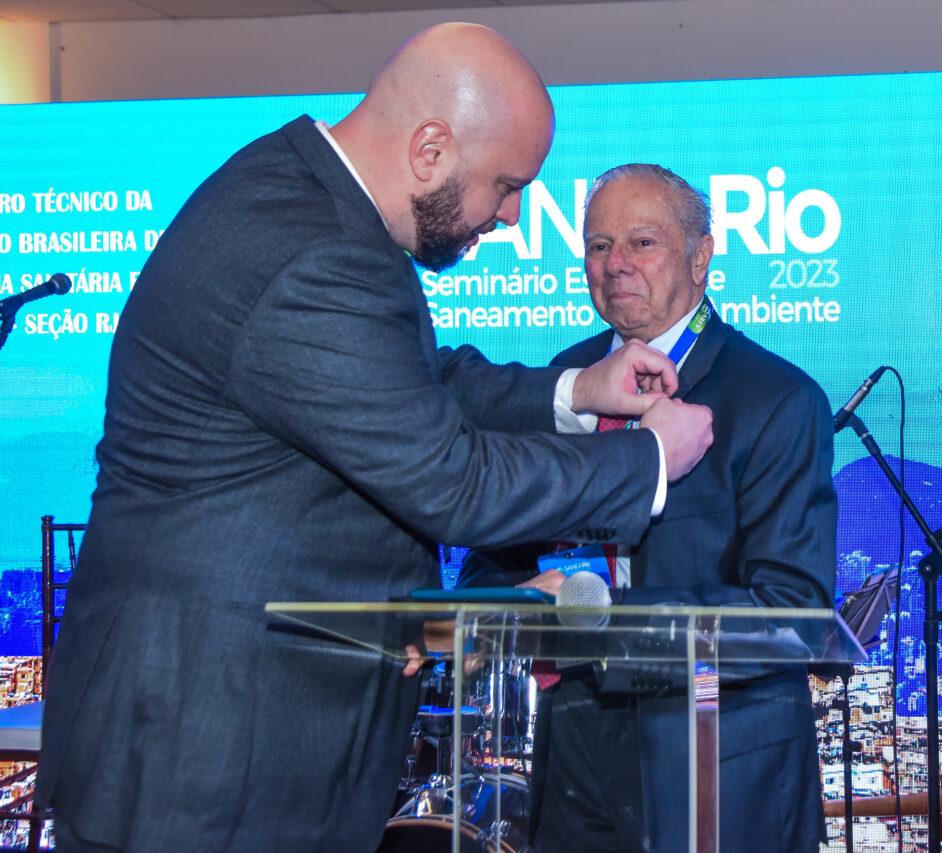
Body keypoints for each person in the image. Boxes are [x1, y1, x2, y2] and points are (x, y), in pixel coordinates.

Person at [37, 26, 714, 853]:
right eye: (506, 186)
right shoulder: (311, 250)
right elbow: (455, 481)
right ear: (430, 150)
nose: (512, 215)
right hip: (207, 760)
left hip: (232, 750)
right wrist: (646, 458)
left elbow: (409, 380)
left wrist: (576, 390)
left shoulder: (311, 203)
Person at [460, 163, 836, 852]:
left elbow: (791, 610)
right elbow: (492, 557)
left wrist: (598, 618)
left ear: (701, 256)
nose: (615, 264)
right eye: (599, 245)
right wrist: (511, 602)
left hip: (718, 763)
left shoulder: (775, 398)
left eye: (642, 242)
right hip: (574, 755)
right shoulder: (563, 384)